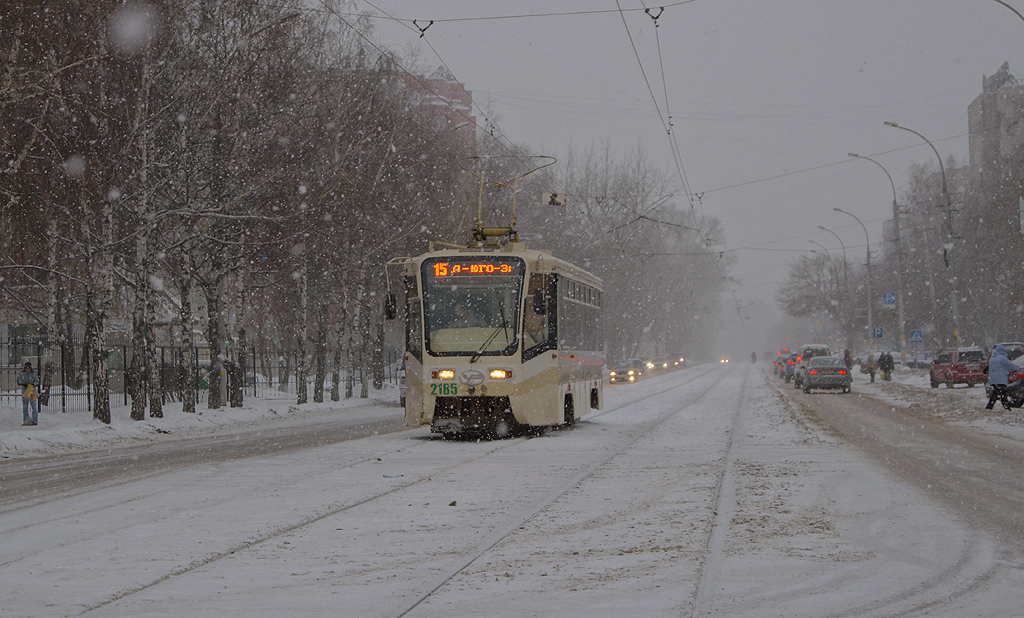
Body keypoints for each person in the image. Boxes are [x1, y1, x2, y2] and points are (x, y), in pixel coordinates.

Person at [986, 344, 1022, 410]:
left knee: (997, 392)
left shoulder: (992, 358)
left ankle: (990, 406)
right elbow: (1010, 365)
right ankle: (1006, 407)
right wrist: (1018, 368)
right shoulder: (1002, 358)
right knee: (1002, 393)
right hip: (1000, 378)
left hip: (993, 378)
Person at [17, 361, 40, 426]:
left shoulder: (34, 374)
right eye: (27, 368)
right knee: (25, 407)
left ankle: (35, 420)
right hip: (25, 392)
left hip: (32, 392)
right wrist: (24, 384)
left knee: (34, 406)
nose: (28, 369)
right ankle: (26, 420)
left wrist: (33, 385)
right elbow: (19, 381)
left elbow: (37, 381)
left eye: (29, 368)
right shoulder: (22, 374)